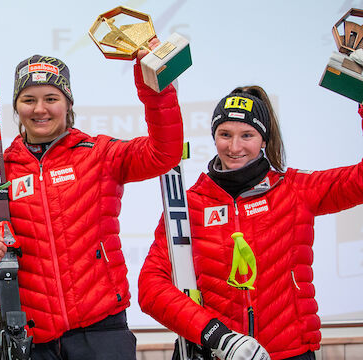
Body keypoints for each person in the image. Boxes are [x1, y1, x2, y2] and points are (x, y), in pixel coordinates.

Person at [0, 49, 185, 359]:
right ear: (16, 107)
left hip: (101, 332)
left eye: (51, 98)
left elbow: (164, 153)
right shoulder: (0, 171)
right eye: (28, 100)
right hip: (32, 341)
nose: (40, 109)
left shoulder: (99, 154)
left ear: (68, 103)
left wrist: (153, 81)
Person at [138, 85, 363, 360]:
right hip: (218, 353)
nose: (234, 147)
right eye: (225, 135)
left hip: (289, 352)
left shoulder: (295, 190)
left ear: (264, 139)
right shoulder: (190, 204)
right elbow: (151, 287)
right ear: (213, 136)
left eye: (247, 135)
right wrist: (218, 337)